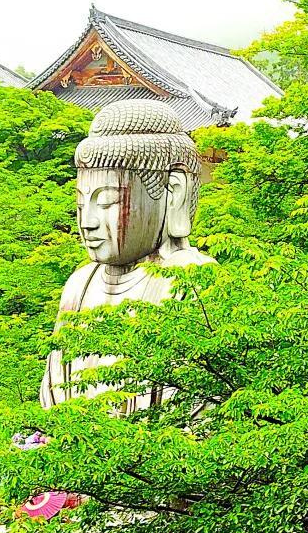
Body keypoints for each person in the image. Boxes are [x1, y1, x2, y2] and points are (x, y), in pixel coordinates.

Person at [39, 99, 215, 413]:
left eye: (106, 202)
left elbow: (198, 416)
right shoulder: (80, 284)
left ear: (173, 192)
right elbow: (52, 403)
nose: (87, 222)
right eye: (81, 204)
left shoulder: (193, 283)